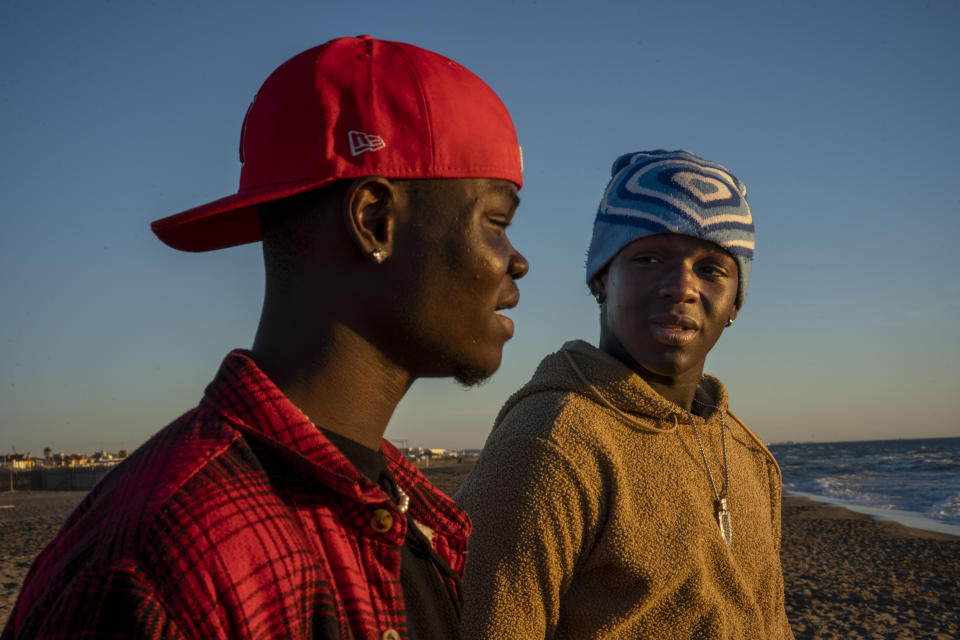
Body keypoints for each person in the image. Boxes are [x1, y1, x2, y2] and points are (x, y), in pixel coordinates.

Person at [3, 35, 528, 640]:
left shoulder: (411, 521)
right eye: (497, 221)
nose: (516, 261)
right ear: (374, 221)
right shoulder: (171, 565)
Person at [456, 149, 793, 639]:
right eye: (649, 259)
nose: (682, 288)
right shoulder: (551, 444)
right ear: (600, 278)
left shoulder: (747, 454)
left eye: (712, 270)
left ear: (735, 301)